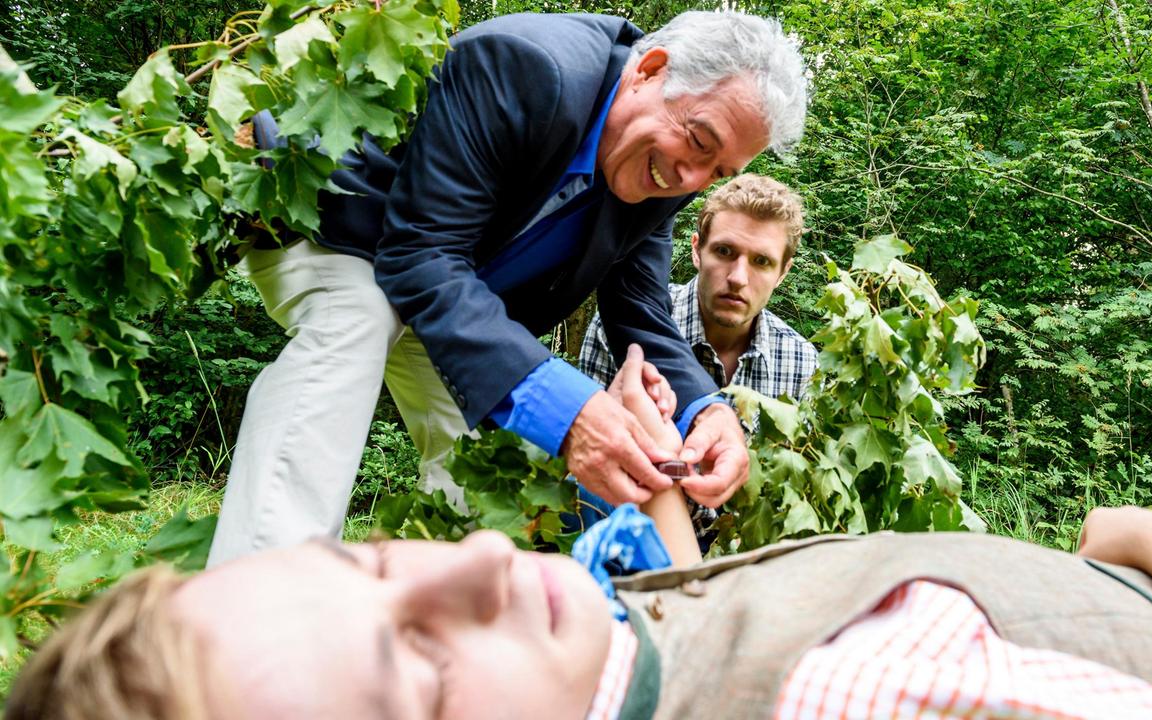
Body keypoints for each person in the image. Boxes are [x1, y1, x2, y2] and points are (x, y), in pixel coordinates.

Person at [10, 357, 1152, 719]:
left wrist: (658, 455)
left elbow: (676, 602)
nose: (479, 562)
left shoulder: (585, 652)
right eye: (425, 680)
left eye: (378, 556)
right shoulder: (855, 691)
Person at [209, 11, 809, 565]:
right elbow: (420, 253)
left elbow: (641, 310)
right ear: (650, 71)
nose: (691, 179)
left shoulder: (663, 171)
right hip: (340, 225)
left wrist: (709, 410)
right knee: (360, 318)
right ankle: (261, 591)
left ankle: (437, 628)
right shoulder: (527, 66)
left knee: (482, 463)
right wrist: (570, 412)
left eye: (719, 172)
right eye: (700, 143)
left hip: (448, 295)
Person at [580, 173, 818, 401]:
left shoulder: (801, 362)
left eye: (761, 261)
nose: (738, 278)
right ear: (697, 250)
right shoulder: (621, 324)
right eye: (724, 251)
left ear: (782, 273)